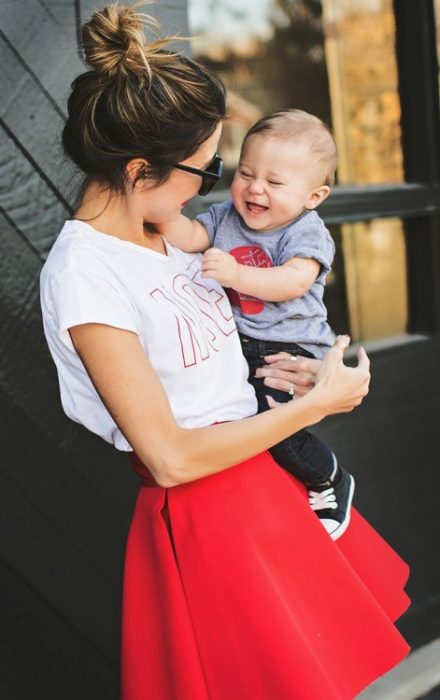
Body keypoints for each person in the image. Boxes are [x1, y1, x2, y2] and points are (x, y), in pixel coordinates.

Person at [39, 4, 410, 699]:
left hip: (266, 491)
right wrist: (312, 412)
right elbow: (170, 457)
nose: (222, 190)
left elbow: (218, 366)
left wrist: (301, 379)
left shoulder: (171, 234)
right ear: (140, 167)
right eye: (208, 173)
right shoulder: (85, 275)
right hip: (210, 528)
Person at [156, 108, 354, 540]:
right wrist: (161, 213)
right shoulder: (227, 216)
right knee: (236, 422)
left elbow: (292, 281)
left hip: (293, 348)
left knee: (274, 423)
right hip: (240, 344)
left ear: (313, 197)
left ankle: (328, 477)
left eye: (275, 182)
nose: (255, 188)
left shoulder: (305, 231)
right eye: (247, 173)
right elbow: (191, 236)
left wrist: (237, 276)